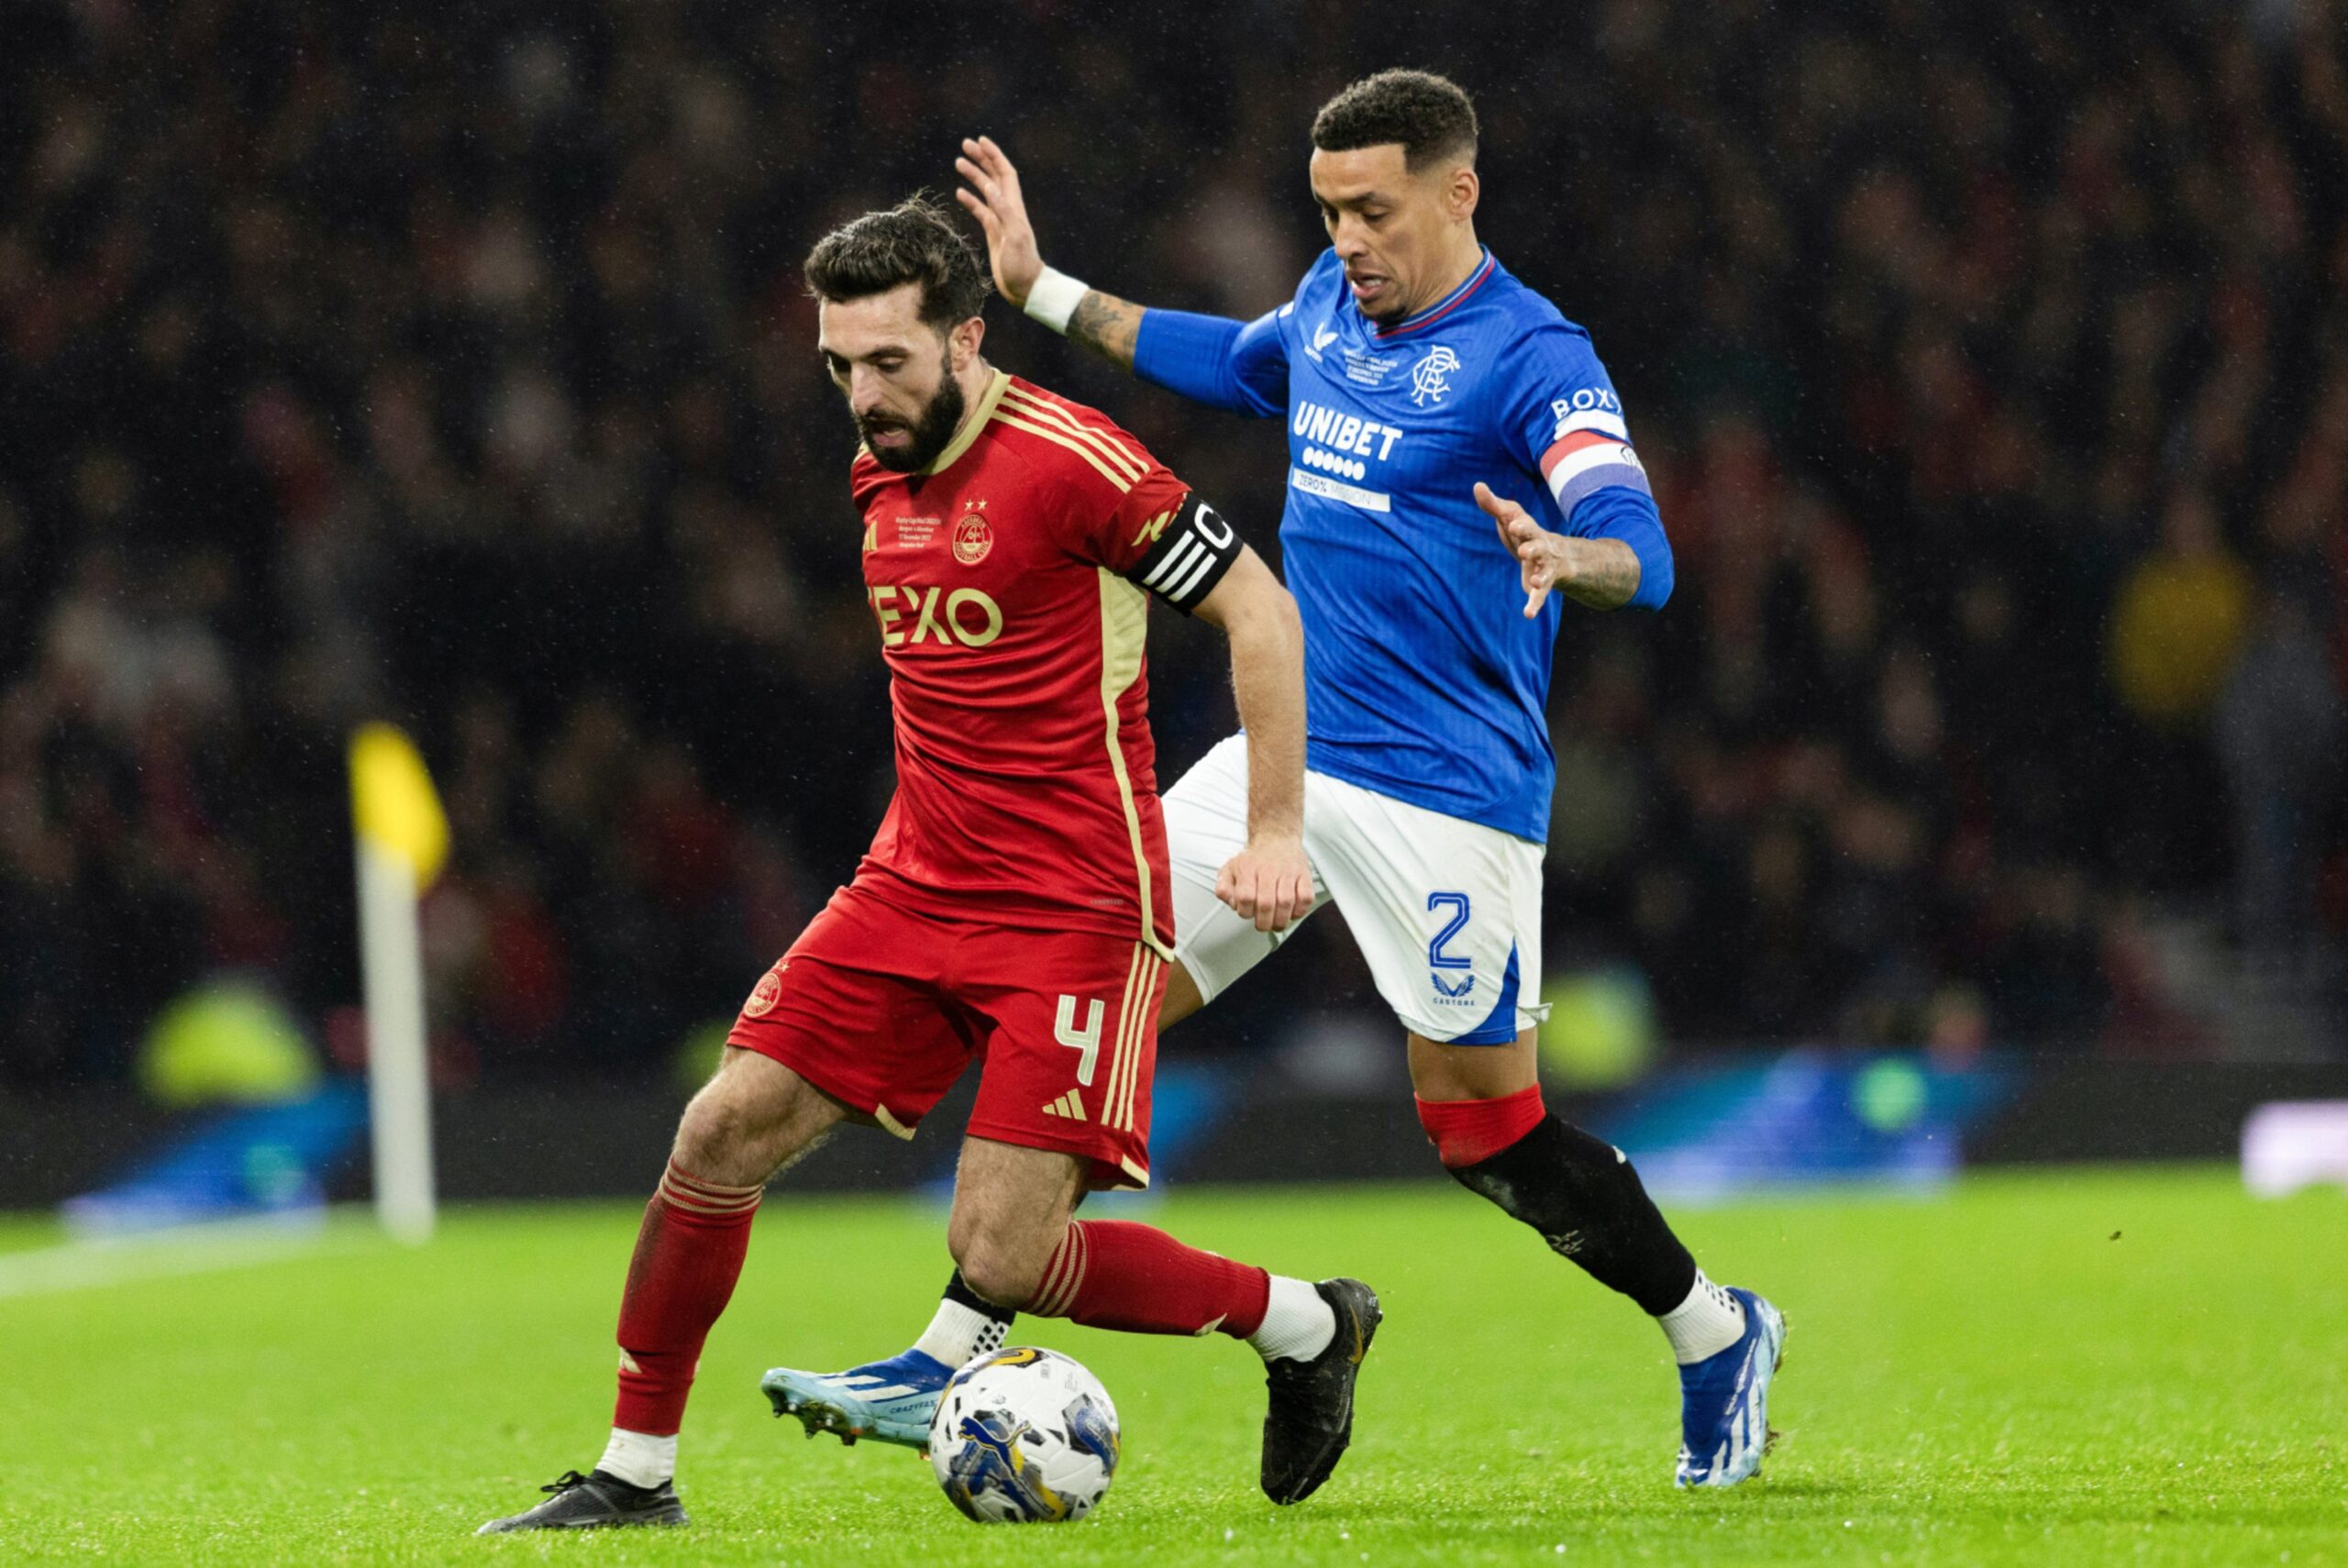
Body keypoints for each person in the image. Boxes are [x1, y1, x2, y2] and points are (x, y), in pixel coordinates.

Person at [765, 71, 1785, 1490]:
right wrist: (1042, 286)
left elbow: (1645, 545)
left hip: (1450, 791)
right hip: (1293, 753)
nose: (1349, 237)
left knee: (1484, 1130)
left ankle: (1714, 1328)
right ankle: (956, 1344)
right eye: (1328, 211)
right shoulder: (1320, 304)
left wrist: (1567, 559)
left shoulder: (1533, 356)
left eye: (1373, 210)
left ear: (1457, 191)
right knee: (1099, 996)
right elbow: (1219, 358)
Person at [479, 194, 1379, 1532]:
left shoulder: (1081, 463)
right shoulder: (879, 462)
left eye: (889, 361)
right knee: (718, 1127)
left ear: (968, 339)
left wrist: (1268, 830)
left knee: (1003, 1251)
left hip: (1074, 908)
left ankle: (1304, 1323)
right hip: (910, 887)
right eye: (839, 364)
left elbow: (1260, 607)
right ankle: (635, 1470)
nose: (861, 395)